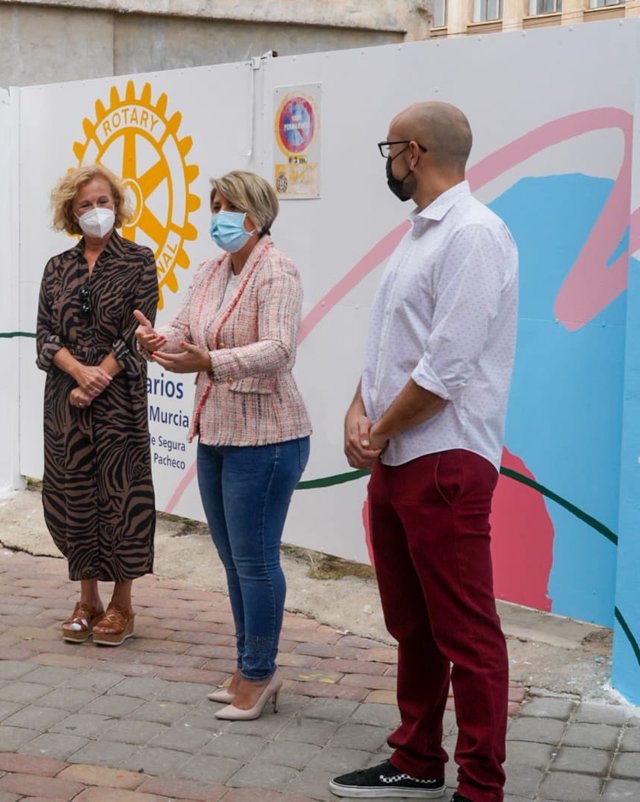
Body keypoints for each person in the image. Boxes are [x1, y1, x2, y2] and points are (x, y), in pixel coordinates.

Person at [330, 102, 518, 802]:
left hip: (444, 460)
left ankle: (480, 786)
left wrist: (378, 428)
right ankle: (415, 759)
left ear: (413, 152)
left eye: (389, 150)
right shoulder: (419, 234)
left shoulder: (474, 235)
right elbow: (391, 348)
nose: (386, 164)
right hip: (400, 457)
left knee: (466, 632)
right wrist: (358, 410)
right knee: (412, 624)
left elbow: (446, 368)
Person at [135, 170, 311, 721]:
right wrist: (155, 341)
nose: (217, 217)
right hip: (215, 433)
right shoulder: (211, 271)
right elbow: (184, 329)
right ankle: (246, 664)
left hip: (268, 438)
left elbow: (279, 349)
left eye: (227, 206)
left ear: (255, 216)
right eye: (213, 205)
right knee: (233, 562)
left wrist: (210, 361)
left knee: (256, 561)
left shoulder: (277, 269)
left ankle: (260, 673)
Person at [36, 164, 158, 647]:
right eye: (85, 204)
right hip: (66, 400)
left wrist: (99, 376)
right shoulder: (56, 268)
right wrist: (78, 372)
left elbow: (139, 331)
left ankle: (122, 605)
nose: (95, 210)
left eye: (103, 201)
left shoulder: (139, 260)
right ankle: (86, 599)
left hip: (119, 399)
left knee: (123, 496)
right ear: (71, 212)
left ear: (117, 206)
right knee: (75, 494)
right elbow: (45, 335)